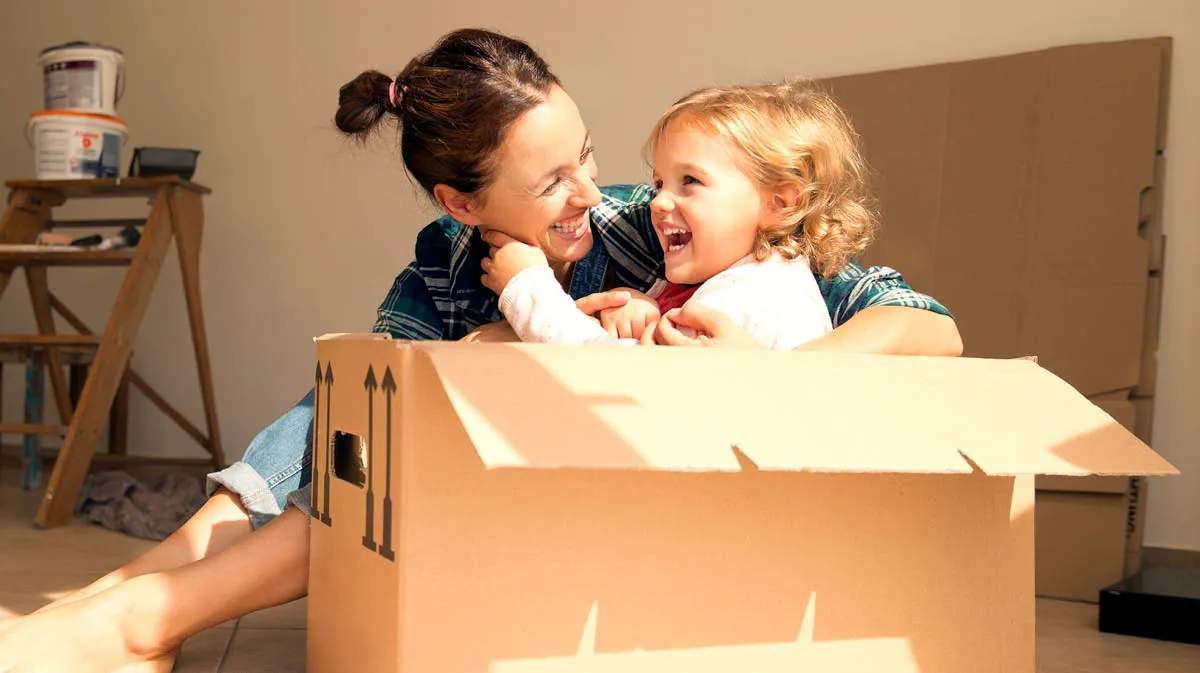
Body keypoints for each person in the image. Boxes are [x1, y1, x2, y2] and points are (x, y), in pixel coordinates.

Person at [0, 28, 961, 673]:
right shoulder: (441, 273)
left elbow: (927, 324)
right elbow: (356, 435)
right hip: (486, 524)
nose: (593, 190)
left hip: (633, 534)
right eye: (553, 180)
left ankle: (135, 614)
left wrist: (774, 371)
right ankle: (126, 600)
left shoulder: (653, 225)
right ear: (465, 205)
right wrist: (502, 330)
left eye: (587, 153)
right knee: (352, 400)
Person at [488, 78, 875, 350]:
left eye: (690, 180)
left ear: (779, 203)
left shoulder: (750, 298)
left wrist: (526, 288)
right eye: (659, 184)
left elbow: (610, 378)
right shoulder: (748, 282)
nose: (657, 203)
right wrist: (647, 313)